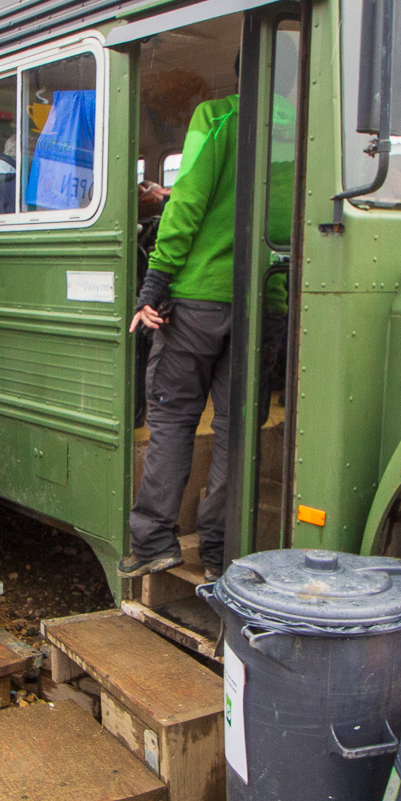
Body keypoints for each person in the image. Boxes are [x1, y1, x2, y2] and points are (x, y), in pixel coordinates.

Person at [123, 90, 287, 583]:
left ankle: (154, 542)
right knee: (239, 430)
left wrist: (154, 284)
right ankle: (220, 551)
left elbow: (188, 201)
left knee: (172, 418)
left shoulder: (221, 115)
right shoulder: (312, 123)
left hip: (196, 300)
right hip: (267, 297)